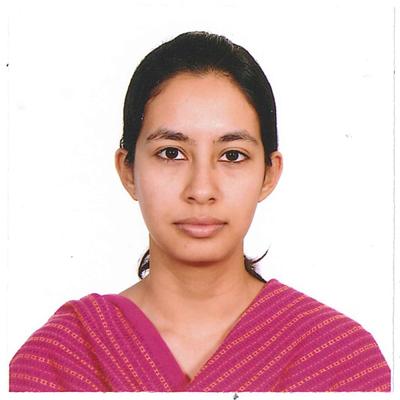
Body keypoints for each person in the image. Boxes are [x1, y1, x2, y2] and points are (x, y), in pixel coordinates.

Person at [9, 31, 390, 392]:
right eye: (171, 153)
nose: (201, 190)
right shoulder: (60, 361)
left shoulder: (340, 362)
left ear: (268, 174)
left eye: (232, 155)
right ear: (128, 171)